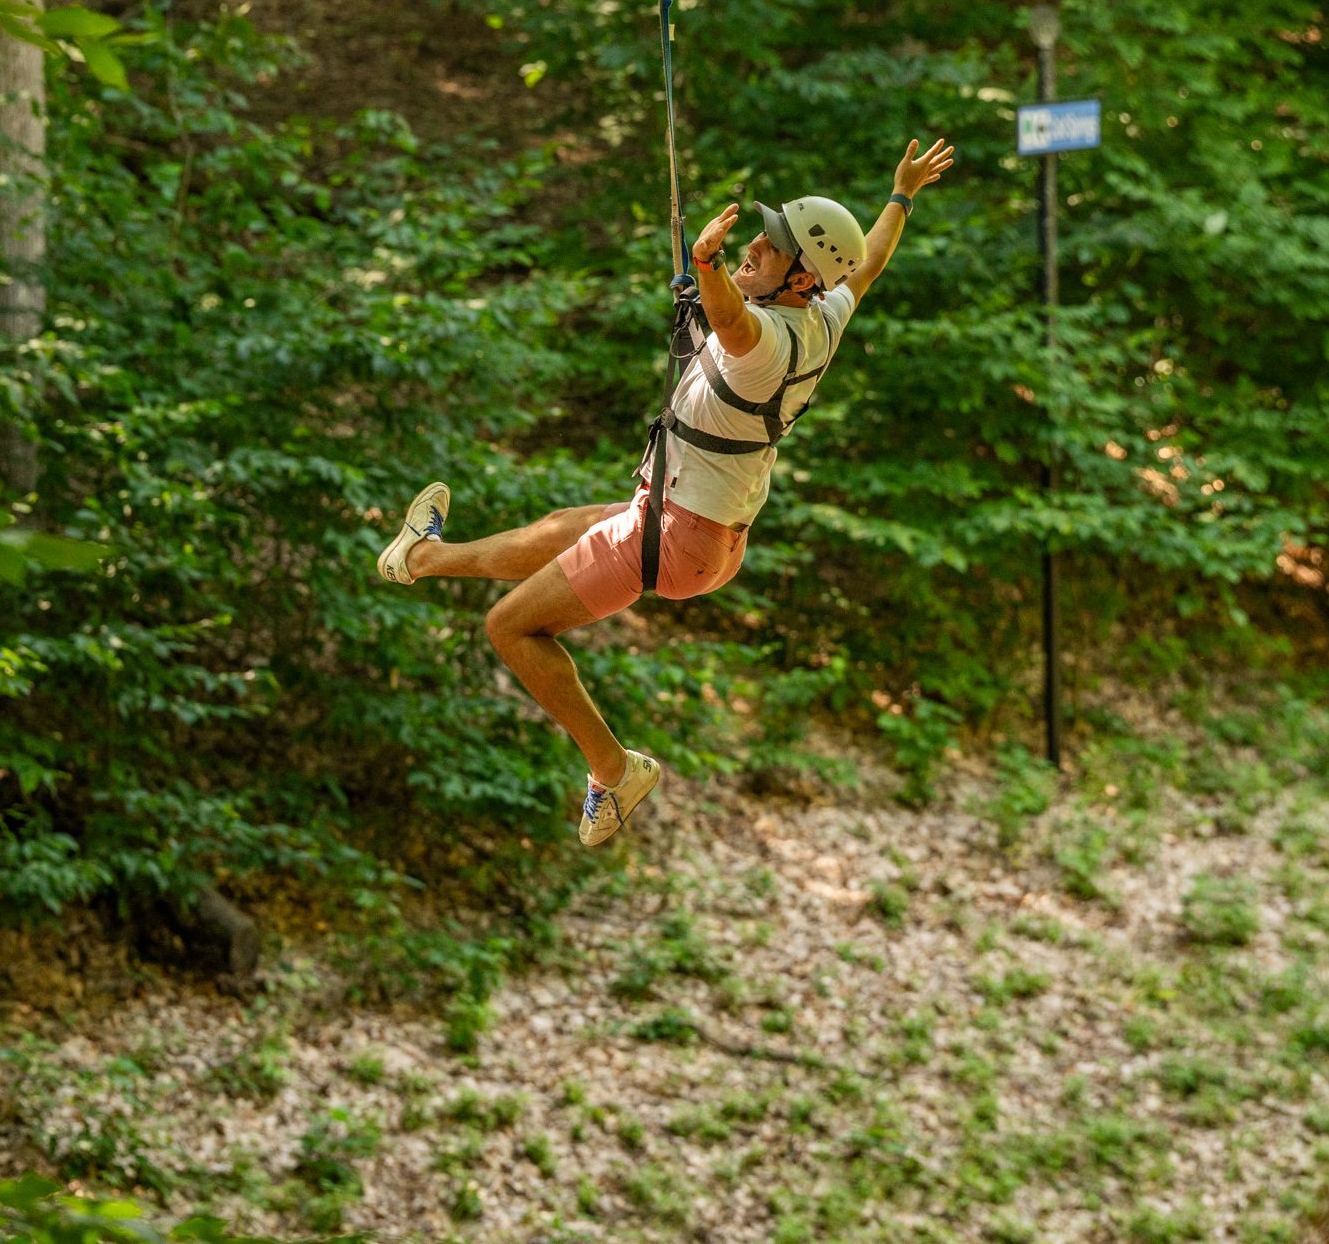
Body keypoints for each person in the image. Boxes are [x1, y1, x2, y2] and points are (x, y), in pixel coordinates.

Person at [376, 138, 957, 846]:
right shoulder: (823, 318)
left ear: (801, 277)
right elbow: (868, 263)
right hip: (694, 532)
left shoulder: (767, 341)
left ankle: (613, 769)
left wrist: (707, 267)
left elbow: (733, 323)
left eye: (771, 247)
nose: (755, 245)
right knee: (562, 527)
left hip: (677, 537)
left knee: (509, 627)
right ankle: (418, 558)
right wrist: (901, 195)